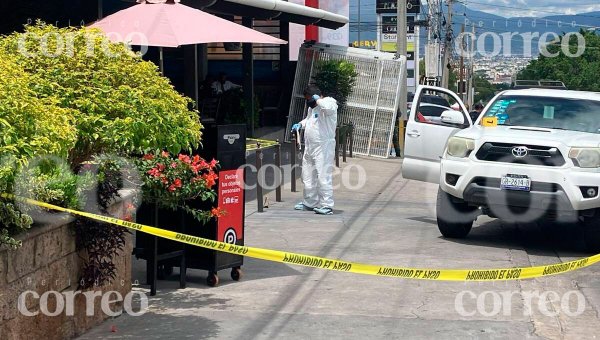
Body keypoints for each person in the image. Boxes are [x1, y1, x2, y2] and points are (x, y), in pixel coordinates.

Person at [291, 85, 338, 215]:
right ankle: (309, 202)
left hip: (324, 146)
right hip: (310, 146)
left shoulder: (329, 102)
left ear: (315, 97)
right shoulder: (312, 108)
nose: (308, 102)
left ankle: (327, 205)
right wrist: (300, 124)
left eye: (308, 99)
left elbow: (328, 109)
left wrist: (318, 100)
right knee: (307, 175)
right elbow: (309, 120)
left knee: (323, 176)